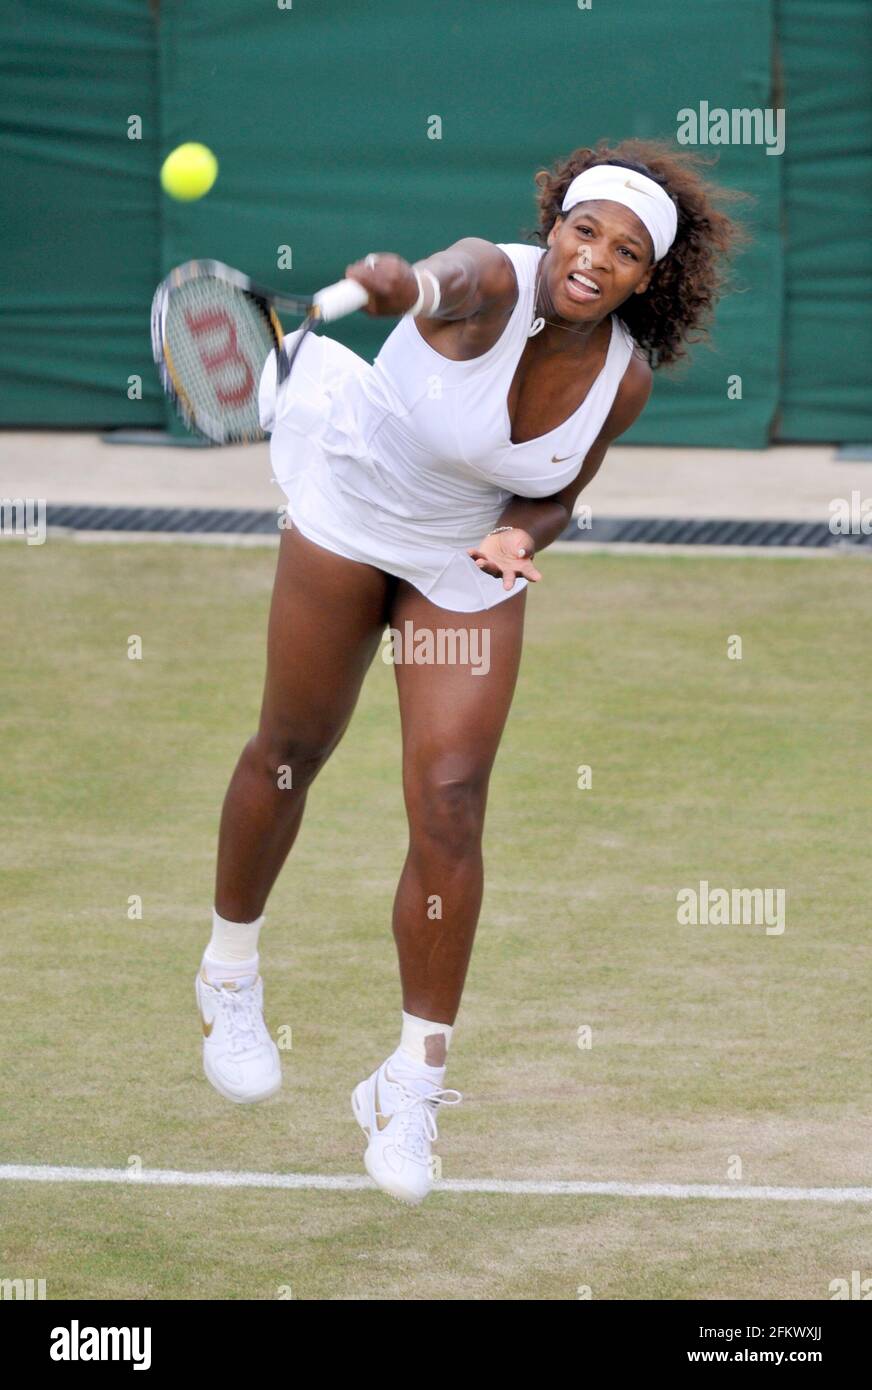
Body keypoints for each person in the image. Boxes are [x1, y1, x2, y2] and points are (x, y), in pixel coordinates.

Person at [194, 139, 744, 1204]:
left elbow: (556, 491)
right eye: (584, 230)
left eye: (627, 252)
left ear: (647, 279)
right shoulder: (486, 279)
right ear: (554, 228)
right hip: (353, 513)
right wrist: (394, 284)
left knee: (449, 802)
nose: (596, 258)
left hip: (463, 562)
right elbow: (433, 277)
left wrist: (518, 536)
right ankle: (228, 972)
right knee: (290, 750)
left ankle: (409, 1083)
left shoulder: (621, 378)